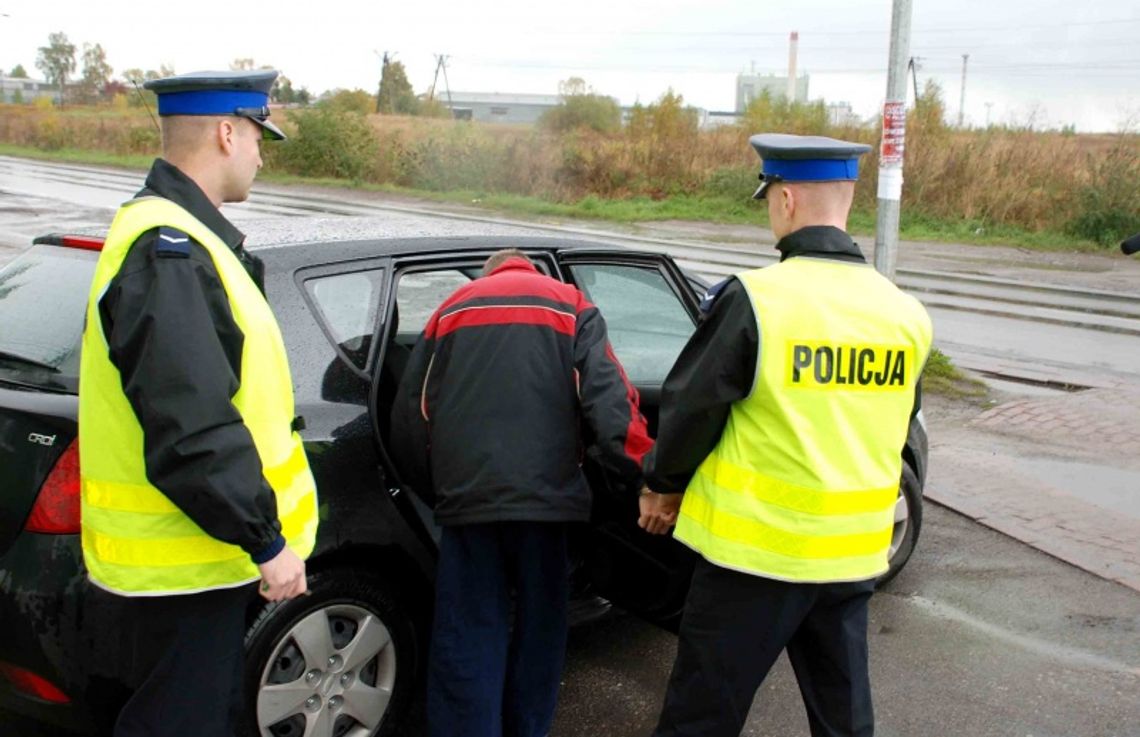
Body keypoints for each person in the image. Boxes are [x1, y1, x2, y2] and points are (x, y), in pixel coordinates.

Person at [639, 133, 933, 737]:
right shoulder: (905, 314)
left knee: (702, 716)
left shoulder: (758, 299)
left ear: (788, 199)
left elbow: (691, 407)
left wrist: (662, 488)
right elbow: (898, 421)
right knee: (843, 718)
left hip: (756, 560)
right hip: (851, 558)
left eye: (771, 195)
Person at [78, 70, 319, 737]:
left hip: (194, 560)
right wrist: (266, 539)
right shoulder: (171, 249)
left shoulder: (175, 233)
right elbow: (192, 425)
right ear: (225, 132)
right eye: (257, 137)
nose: (261, 156)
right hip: (185, 567)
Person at [389, 248, 653, 737]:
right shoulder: (572, 306)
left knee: (468, 634)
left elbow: (410, 416)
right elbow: (612, 407)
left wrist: (440, 492)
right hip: (548, 510)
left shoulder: (450, 310)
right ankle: (526, 728)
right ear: (530, 268)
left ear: (490, 272)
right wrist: (644, 480)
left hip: (469, 508)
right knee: (541, 631)